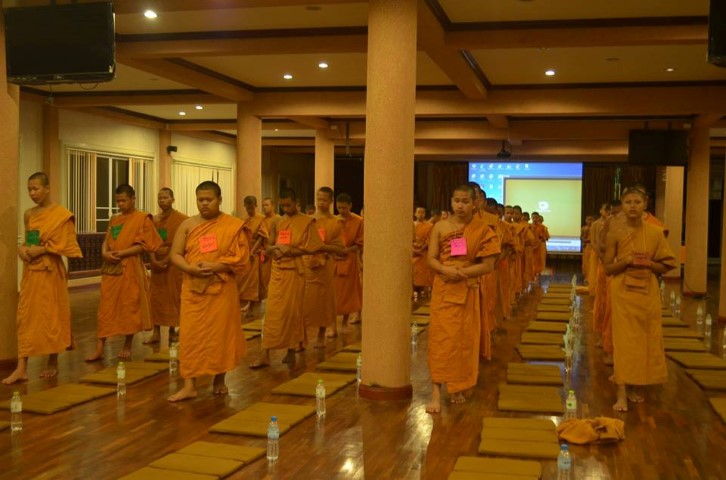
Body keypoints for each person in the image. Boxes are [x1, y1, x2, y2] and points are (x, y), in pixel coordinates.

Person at [167, 181, 248, 401]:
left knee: (220, 335)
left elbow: (240, 259)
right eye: (200, 200)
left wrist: (215, 266)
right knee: (190, 336)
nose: (204, 203)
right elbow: (175, 254)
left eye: (209, 200)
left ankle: (220, 379)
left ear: (219, 200)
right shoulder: (188, 225)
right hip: (193, 289)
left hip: (222, 290)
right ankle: (189, 385)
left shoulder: (232, 226)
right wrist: (189, 268)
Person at [425, 185, 500, 413]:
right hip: (443, 289)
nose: (460, 206)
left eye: (465, 201)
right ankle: (436, 390)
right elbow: (431, 258)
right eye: (456, 201)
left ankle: (456, 387)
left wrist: (461, 273)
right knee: (441, 339)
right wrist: (445, 270)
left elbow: (488, 265)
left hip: (466, 289)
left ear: (475, 203)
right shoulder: (440, 227)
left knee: (462, 340)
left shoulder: (483, 230)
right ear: (451, 201)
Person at [2, 172, 82, 384]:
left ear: (47, 188)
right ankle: (21, 368)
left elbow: (67, 246)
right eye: (29, 189)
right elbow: (30, 240)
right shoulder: (29, 214)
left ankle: (52, 361)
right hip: (31, 272)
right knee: (25, 317)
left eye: (36, 188)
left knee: (52, 316)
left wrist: (44, 250)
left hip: (51, 272)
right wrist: (22, 248)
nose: (32, 193)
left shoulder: (62, 215)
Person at [603, 187, 676, 412]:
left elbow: (667, 265)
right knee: (624, 341)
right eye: (628, 202)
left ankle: (634, 386)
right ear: (622, 206)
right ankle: (621, 392)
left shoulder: (655, 232)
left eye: (637, 202)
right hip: (623, 291)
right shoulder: (615, 233)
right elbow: (608, 268)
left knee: (644, 341)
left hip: (647, 292)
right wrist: (626, 261)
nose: (632, 206)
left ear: (645, 204)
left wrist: (648, 263)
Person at [86, 184, 162, 362]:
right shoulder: (114, 219)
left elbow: (145, 245)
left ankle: (127, 345)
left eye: (123, 201)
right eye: (118, 201)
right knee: (105, 308)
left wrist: (121, 253)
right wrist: (104, 252)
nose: (120, 204)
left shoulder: (143, 218)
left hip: (131, 268)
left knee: (130, 307)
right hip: (111, 269)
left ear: (133, 199)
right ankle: (100, 347)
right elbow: (106, 240)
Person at [251, 188, 324, 367]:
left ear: (296, 203)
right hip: (278, 272)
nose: (285, 209)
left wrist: (290, 250)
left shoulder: (307, 222)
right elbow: (269, 246)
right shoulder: (278, 222)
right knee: (272, 313)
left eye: (288, 205)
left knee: (292, 313)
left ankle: (291, 350)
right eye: (282, 206)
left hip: (295, 273)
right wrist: (275, 250)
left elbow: (313, 247)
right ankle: (265, 354)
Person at [302, 187, 345, 347]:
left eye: (324, 200)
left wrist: (322, 247)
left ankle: (321, 336)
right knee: (304, 302)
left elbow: (340, 248)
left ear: (331, 201)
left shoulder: (335, 222)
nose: (321, 203)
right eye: (319, 199)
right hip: (307, 265)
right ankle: (302, 339)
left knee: (323, 301)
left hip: (325, 267)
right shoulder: (308, 220)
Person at [146, 188, 188, 345]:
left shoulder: (181, 219)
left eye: (165, 197)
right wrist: (154, 260)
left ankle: (172, 330)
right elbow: (149, 241)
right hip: (156, 263)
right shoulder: (153, 220)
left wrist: (166, 260)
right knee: (155, 297)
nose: (162, 200)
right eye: (160, 198)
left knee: (173, 296)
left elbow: (180, 243)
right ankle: (156, 332)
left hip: (173, 264)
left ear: (173, 199)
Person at [334, 193, 364, 330]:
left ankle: (345, 321)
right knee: (334, 294)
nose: (341, 211)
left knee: (348, 293)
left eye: (344, 208)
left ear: (350, 206)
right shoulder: (333, 220)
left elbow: (360, 243)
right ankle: (333, 326)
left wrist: (347, 250)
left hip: (349, 260)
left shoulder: (358, 221)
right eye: (339, 208)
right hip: (334, 260)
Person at [237, 196, 267, 319]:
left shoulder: (261, 219)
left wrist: (253, 251)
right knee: (243, 279)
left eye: (252, 208)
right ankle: (246, 303)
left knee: (254, 281)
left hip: (255, 253)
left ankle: (252, 307)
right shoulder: (244, 220)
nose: (250, 210)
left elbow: (261, 237)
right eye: (248, 208)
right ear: (245, 206)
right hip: (245, 253)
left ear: (256, 206)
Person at [260, 197, 282, 296]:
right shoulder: (262, 220)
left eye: (266, 205)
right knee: (264, 279)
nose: (264, 207)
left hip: (274, 253)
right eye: (263, 205)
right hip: (264, 253)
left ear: (272, 206)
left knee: (274, 279)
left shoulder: (278, 219)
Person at [412, 207, 434, 299]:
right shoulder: (411, 225)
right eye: (419, 212)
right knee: (413, 275)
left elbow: (429, 239)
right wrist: (413, 249)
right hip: (412, 253)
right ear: (415, 214)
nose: (420, 214)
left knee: (423, 276)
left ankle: (423, 294)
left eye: (422, 212)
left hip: (423, 253)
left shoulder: (429, 226)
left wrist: (422, 248)